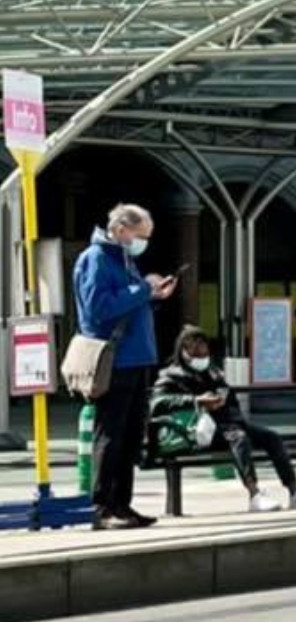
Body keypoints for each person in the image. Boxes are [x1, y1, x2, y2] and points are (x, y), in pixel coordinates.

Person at [75, 203, 177, 531]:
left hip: (136, 358)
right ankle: (103, 507)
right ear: (121, 229)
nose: (143, 242)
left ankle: (123, 504)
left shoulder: (122, 258)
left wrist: (153, 295)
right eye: (141, 235)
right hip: (116, 361)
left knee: (131, 437)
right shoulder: (96, 259)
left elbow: (127, 305)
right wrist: (144, 288)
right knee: (111, 435)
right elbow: (98, 309)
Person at [153, 326, 296, 513]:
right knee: (239, 437)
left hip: (226, 424)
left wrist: (224, 403)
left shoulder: (212, 372)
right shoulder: (170, 375)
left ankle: (295, 491)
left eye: (204, 348)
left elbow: (229, 397)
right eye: (196, 349)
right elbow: (158, 403)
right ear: (184, 351)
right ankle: (255, 494)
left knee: (271, 437)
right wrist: (197, 401)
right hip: (194, 431)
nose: (202, 354)